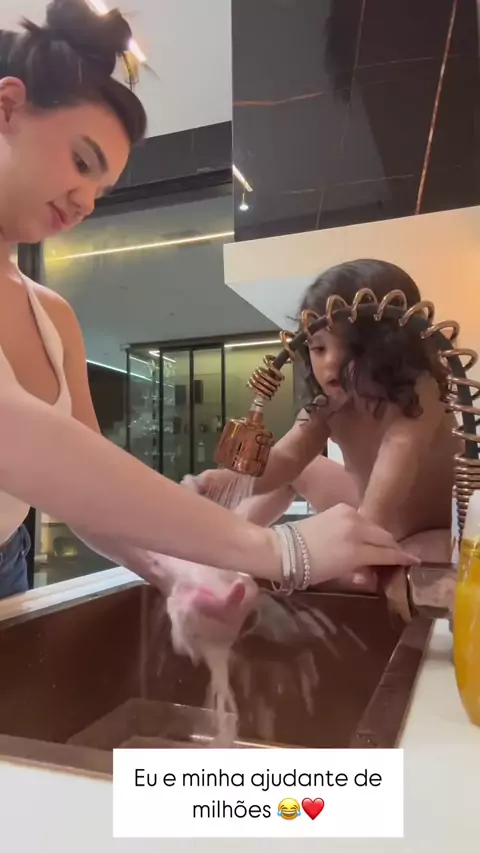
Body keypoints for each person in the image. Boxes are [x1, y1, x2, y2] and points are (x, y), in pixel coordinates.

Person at [0, 3, 418, 609]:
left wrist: (179, 576)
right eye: (82, 162)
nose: (85, 201)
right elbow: (21, 441)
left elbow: (81, 487)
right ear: (7, 107)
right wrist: (276, 549)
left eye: (101, 189)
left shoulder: (52, 316)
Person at [193, 259, 458, 588]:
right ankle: (231, 547)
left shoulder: (421, 390)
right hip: (368, 509)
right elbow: (286, 459)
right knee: (301, 468)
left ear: (393, 346)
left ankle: (369, 558)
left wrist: (362, 534)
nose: (330, 362)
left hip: (434, 527)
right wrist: (228, 482)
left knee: (412, 571)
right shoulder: (329, 405)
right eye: (318, 348)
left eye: (351, 347)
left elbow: (398, 455)